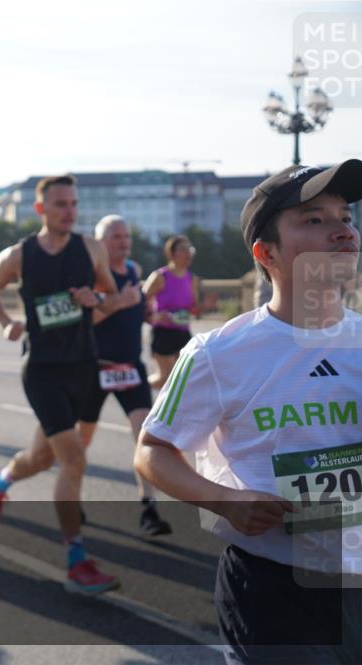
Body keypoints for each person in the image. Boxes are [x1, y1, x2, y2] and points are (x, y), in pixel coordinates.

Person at [135, 160, 362, 664]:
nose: (344, 230)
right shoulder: (218, 353)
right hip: (274, 591)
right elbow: (153, 451)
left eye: (345, 216)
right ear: (267, 253)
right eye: (314, 220)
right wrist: (224, 500)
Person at [0, 174, 141, 595]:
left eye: (73, 204)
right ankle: (76, 559)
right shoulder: (20, 255)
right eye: (61, 205)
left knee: (39, 458)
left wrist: (96, 301)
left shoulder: (90, 248)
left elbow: (108, 291)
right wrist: (6, 323)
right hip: (42, 369)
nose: (70, 211)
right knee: (74, 460)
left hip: (82, 366)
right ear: (41, 210)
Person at [78, 215, 171, 537]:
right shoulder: (92, 277)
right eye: (116, 236)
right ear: (101, 242)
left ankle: (149, 508)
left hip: (130, 367)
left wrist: (146, 312)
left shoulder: (132, 271)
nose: (124, 240)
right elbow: (84, 322)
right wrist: (121, 304)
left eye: (126, 235)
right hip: (96, 367)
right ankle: (71, 500)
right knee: (81, 439)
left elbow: (135, 311)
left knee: (144, 434)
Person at [143, 235, 200, 389]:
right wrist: (154, 316)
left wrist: (204, 306)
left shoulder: (192, 279)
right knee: (165, 379)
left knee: (185, 380)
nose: (188, 253)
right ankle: (139, 388)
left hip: (183, 333)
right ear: (172, 254)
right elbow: (141, 300)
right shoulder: (160, 277)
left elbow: (193, 309)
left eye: (190, 249)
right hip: (162, 333)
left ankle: (175, 412)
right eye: (183, 249)